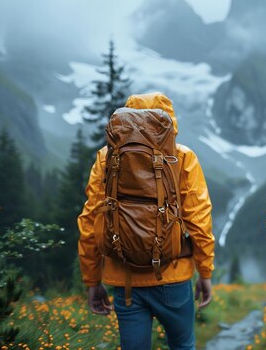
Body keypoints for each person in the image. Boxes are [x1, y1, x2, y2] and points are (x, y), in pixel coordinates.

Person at [78, 92, 215, 350]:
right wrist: (205, 272)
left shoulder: (106, 158)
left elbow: (90, 222)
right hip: (172, 276)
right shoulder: (182, 158)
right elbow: (199, 219)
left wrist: (92, 280)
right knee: (183, 345)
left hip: (125, 277)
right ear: (169, 121)